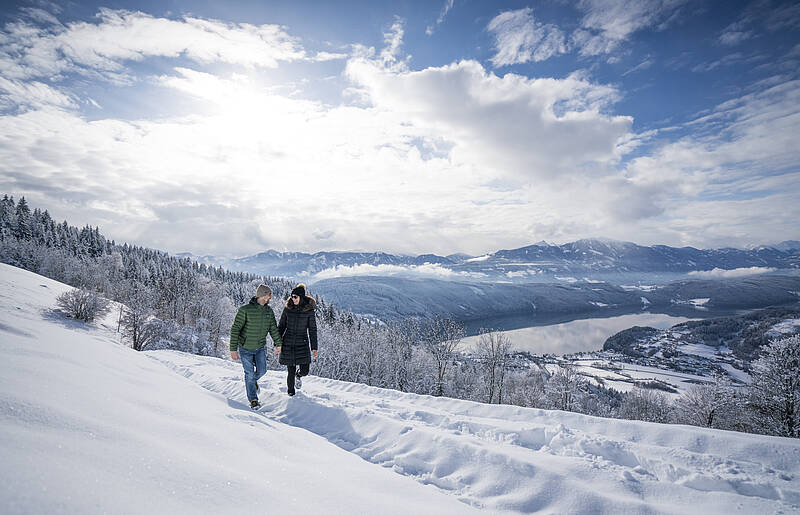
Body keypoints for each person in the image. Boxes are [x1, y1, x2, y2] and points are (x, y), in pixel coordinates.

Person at [230, 284, 283, 409]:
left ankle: (253, 382)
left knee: (262, 371)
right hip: (245, 348)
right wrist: (233, 349)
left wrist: (278, 343)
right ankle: (253, 399)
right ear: (263, 295)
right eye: (269, 295)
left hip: (260, 348)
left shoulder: (268, 311)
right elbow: (235, 329)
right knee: (249, 373)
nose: (270, 297)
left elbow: (273, 329)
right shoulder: (245, 310)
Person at [278, 283, 318, 396]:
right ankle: (291, 394)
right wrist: (277, 342)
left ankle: (298, 375)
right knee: (290, 370)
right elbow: (281, 326)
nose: (293, 299)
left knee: (305, 371)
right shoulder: (287, 309)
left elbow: (312, 330)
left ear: (301, 297)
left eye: (295, 297)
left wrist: (314, 347)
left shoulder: (309, 311)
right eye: (292, 296)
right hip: (288, 344)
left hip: (302, 343)